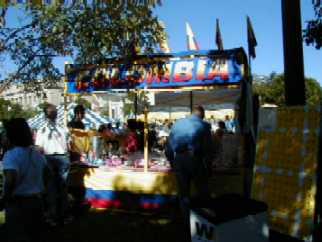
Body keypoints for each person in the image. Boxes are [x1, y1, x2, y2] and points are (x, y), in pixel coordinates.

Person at [165, 105, 213, 241]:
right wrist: (209, 166)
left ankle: (186, 223)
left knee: (183, 194)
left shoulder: (177, 124)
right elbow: (208, 149)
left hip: (179, 159)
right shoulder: (204, 125)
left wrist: (172, 162)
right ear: (201, 115)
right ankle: (203, 223)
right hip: (195, 159)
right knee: (202, 191)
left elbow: (168, 147)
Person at [0, 118, 48, 242]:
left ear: (12, 135)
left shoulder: (11, 155)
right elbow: (48, 175)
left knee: (17, 235)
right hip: (37, 202)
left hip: (18, 204)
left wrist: (5, 199)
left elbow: (10, 179)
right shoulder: (37, 154)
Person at [35, 103, 71, 226]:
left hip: (52, 158)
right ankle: (61, 216)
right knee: (61, 188)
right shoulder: (59, 128)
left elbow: (39, 148)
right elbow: (68, 145)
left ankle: (54, 217)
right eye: (53, 111)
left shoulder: (44, 129)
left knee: (53, 189)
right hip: (57, 158)